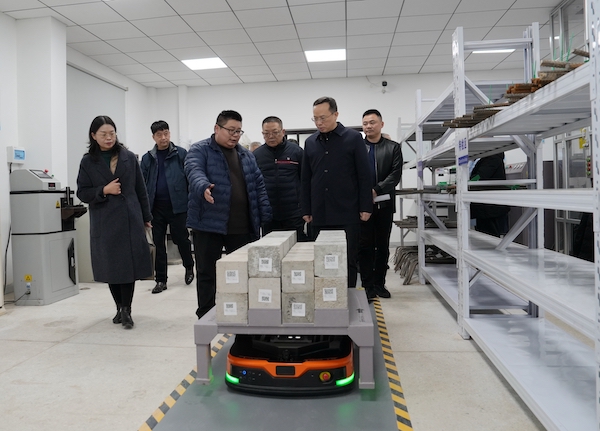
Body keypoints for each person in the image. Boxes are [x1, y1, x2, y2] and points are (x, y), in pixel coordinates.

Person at [185, 110, 272, 319]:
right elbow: (193, 170)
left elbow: (258, 186)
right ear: (217, 128)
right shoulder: (200, 150)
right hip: (208, 224)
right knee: (207, 273)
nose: (235, 135)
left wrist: (265, 214)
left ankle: (239, 314)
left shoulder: (246, 155)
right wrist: (203, 186)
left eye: (238, 131)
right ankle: (206, 315)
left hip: (241, 226)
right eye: (231, 130)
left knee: (241, 274)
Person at [76, 115, 152, 329]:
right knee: (112, 267)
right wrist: (104, 190)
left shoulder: (128, 157)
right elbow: (82, 192)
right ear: (94, 136)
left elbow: (141, 189)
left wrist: (146, 217)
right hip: (104, 221)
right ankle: (119, 306)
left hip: (129, 218)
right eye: (104, 134)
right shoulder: (88, 161)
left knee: (128, 267)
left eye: (112, 133)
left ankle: (126, 309)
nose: (109, 138)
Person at [301, 96, 372, 288]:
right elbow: (306, 178)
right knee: (322, 259)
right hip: (319, 212)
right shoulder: (310, 142)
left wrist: (366, 206)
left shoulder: (353, 138)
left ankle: (347, 296)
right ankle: (326, 297)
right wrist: (306, 208)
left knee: (348, 259)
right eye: (315, 118)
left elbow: (364, 175)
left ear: (336, 114)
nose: (319, 123)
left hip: (347, 211)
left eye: (323, 118)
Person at [140, 121, 194, 294]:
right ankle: (161, 280)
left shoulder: (181, 154)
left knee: (181, 239)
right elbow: (141, 184)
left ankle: (189, 266)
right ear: (153, 137)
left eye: (166, 133)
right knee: (158, 244)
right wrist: (144, 210)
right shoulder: (147, 158)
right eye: (159, 135)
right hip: (156, 208)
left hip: (178, 205)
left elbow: (190, 178)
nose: (163, 138)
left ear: (169, 134)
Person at [358, 109, 403, 300]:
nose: (368, 126)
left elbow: (395, 174)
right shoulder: (358, 147)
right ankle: (368, 285)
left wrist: (376, 189)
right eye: (365, 123)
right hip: (362, 206)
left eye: (372, 122)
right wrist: (363, 194)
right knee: (365, 246)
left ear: (381, 124)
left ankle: (379, 284)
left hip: (384, 204)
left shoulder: (393, 148)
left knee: (382, 246)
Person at [253, 116, 307, 241]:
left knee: (296, 247)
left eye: (275, 132)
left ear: (283, 132)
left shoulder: (296, 152)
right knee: (270, 248)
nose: (271, 136)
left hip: (293, 213)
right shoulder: (256, 155)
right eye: (266, 133)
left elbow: (305, 180)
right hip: (268, 214)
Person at [470, 153, 510, 237]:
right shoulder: (488, 158)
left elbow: (479, 176)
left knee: (489, 237)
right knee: (486, 237)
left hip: (490, 208)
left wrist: (466, 184)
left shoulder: (492, 158)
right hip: (488, 208)